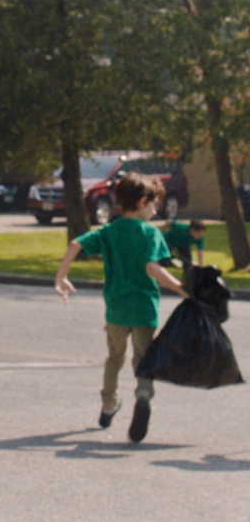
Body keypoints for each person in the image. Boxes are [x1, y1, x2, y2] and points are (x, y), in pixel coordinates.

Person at [54, 172, 188, 443]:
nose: (155, 210)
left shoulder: (110, 231)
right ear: (141, 202)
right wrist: (182, 289)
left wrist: (62, 276)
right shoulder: (151, 234)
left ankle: (108, 404)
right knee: (143, 360)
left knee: (115, 357)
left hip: (117, 309)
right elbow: (153, 268)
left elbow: (75, 243)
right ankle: (142, 396)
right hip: (145, 310)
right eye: (153, 204)